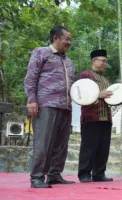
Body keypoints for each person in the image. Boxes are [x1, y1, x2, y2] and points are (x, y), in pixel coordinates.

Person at [24, 26, 75, 188]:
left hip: (65, 106)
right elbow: (31, 77)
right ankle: (37, 177)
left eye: (70, 39)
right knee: (43, 142)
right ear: (55, 38)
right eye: (66, 38)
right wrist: (32, 99)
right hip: (46, 104)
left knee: (61, 143)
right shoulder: (41, 52)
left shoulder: (69, 61)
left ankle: (54, 174)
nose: (69, 42)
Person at [77, 49, 114, 183]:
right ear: (94, 61)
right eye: (103, 61)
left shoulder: (106, 80)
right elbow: (79, 94)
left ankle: (99, 174)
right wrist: (98, 95)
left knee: (103, 148)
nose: (105, 63)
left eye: (106, 61)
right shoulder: (85, 75)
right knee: (89, 147)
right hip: (91, 117)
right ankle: (84, 174)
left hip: (106, 118)